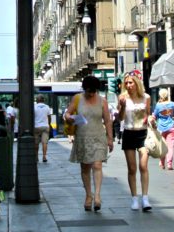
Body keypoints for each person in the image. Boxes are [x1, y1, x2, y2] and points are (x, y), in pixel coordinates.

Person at [63, 75, 113, 212]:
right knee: (85, 168)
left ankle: (97, 196)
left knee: (97, 165)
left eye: (94, 91)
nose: (91, 94)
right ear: (84, 89)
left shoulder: (102, 101)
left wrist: (110, 138)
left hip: (98, 137)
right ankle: (88, 196)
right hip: (82, 137)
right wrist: (69, 117)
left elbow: (107, 121)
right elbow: (67, 113)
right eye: (89, 91)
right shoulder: (77, 98)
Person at [116, 72, 153, 212]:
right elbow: (120, 118)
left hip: (143, 133)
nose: (128, 85)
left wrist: (150, 119)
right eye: (126, 83)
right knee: (132, 168)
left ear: (137, 83)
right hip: (129, 133)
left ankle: (145, 198)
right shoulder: (123, 98)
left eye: (131, 82)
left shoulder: (146, 97)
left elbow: (148, 113)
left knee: (143, 166)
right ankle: (134, 198)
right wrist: (123, 107)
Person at [153, 88, 174, 171]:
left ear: (160, 96)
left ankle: (162, 162)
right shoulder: (172, 104)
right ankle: (169, 164)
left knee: (162, 146)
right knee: (170, 146)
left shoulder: (158, 105)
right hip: (171, 127)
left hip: (161, 128)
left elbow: (155, 116)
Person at [32, 95, 53, 162]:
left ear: (37, 100)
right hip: (45, 127)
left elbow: (32, 117)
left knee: (36, 143)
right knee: (44, 143)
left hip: (36, 127)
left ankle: (36, 157)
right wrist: (48, 124)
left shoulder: (34, 107)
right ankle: (44, 157)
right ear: (43, 100)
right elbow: (49, 117)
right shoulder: (47, 107)